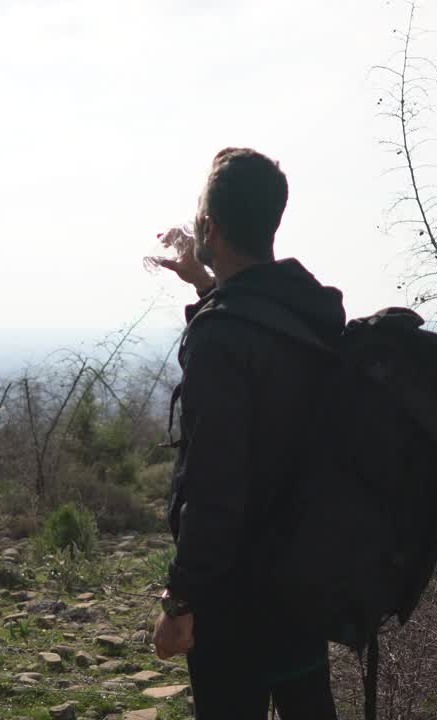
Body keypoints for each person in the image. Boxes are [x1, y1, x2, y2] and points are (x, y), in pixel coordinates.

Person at [150, 148, 346, 719]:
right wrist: (206, 283)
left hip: (236, 599)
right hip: (302, 583)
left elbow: (213, 487)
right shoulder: (308, 312)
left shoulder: (221, 339)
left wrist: (181, 599)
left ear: (209, 226)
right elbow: (266, 356)